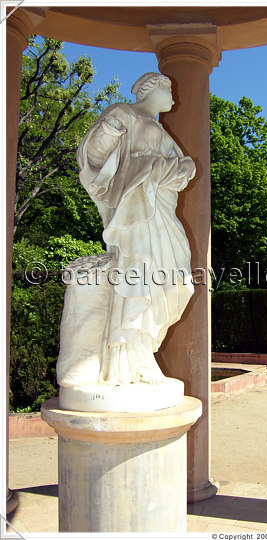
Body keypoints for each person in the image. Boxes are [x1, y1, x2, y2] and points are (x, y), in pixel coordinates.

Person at [57, 72, 196, 388]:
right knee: (138, 271)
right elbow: (92, 156)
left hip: (159, 207)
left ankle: (143, 351)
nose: (173, 98)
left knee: (173, 277)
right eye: (169, 90)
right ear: (151, 90)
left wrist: (183, 168)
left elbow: (182, 165)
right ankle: (128, 363)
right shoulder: (124, 113)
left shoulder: (160, 130)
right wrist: (108, 132)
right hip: (134, 208)